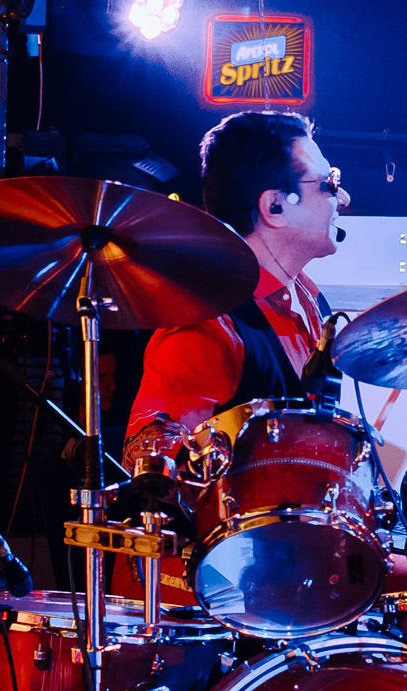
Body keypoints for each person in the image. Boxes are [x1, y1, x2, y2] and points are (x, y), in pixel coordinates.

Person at [125, 110, 349, 463]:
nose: (344, 198)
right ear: (275, 206)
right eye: (329, 184)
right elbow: (147, 458)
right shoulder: (208, 330)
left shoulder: (308, 295)